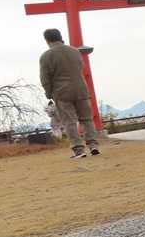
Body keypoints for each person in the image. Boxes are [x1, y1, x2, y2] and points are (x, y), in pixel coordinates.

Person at [39, 28, 100, 159]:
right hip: (81, 89)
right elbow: (81, 67)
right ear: (60, 37)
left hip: (61, 92)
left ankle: (78, 149)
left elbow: (45, 79)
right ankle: (93, 145)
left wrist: (49, 93)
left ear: (47, 40)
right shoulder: (75, 51)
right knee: (87, 119)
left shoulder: (46, 56)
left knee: (69, 121)